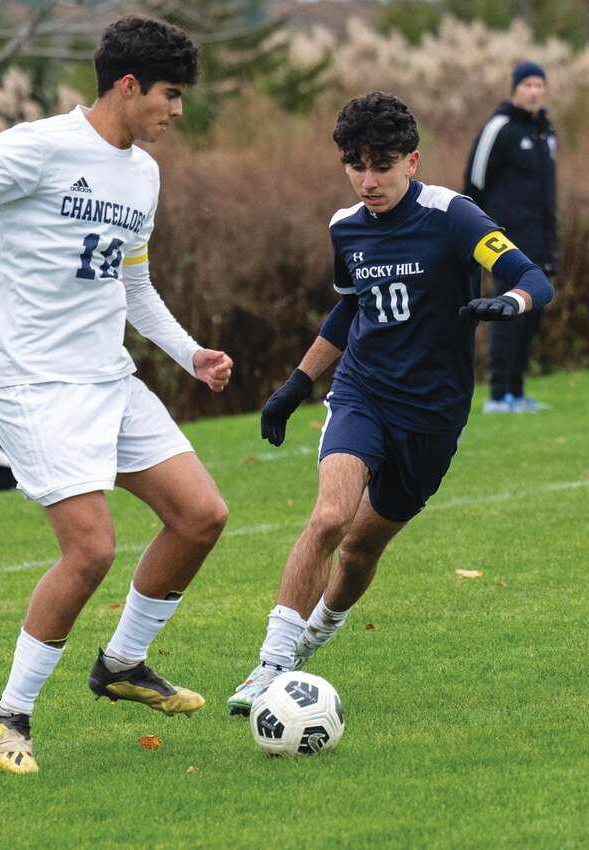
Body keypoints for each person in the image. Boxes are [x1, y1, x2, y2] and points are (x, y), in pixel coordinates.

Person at [227, 91, 553, 716]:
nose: (368, 180)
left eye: (382, 164)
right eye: (356, 164)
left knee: (358, 551)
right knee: (328, 519)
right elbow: (351, 305)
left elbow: (531, 277)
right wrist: (299, 383)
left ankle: (318, 633)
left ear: (412, 160)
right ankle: (269, 666)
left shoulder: (453, 217)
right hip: (363, 394)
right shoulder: (345, 227)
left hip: (433, 416)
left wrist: (509, 303)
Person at [0, 15, 233, 775]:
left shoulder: (142, 174)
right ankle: (7, 717)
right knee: (90, 549)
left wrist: (189, 353)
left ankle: (122, 664)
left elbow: (131, 282)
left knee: (201, 517)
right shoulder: (36, 147)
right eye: (170, 94)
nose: (177, 111)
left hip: (106, 378)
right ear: (128, 86)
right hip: (30, 382)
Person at [463, 60, 558, 413]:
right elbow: (474, 184)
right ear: (515, 88)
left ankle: (517, 392)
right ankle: (498, 395)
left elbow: (548, 195)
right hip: (506, 243)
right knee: (507, 312)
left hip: (540, 242)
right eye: (527, 84)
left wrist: (552, 245)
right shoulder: (498, 128)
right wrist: (473, 236)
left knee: (532, 315)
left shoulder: (546, 132)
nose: (534, 91)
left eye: (539, 84)